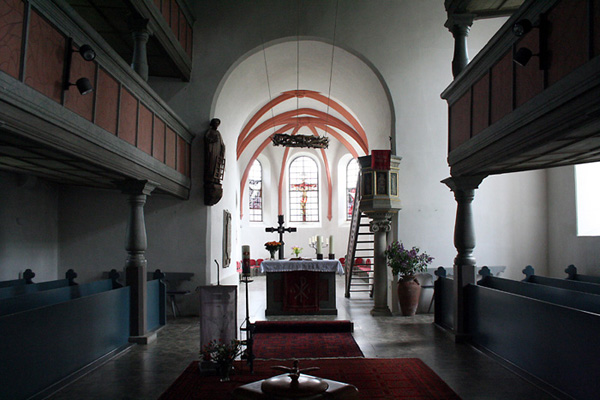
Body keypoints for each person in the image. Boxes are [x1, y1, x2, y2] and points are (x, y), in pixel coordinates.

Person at [204, 118, 225, 205]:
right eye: (216, 124)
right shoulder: (210, 132)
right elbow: (206, 139)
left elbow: (222, 144)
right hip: (211, 152)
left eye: (218, 124)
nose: (217, 126)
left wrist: (223, 149)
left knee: (217, 167)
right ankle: (211, 179)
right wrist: (212, 141)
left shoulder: (218, 133)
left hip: (217, 154)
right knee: (211, 166)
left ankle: (215, 180)